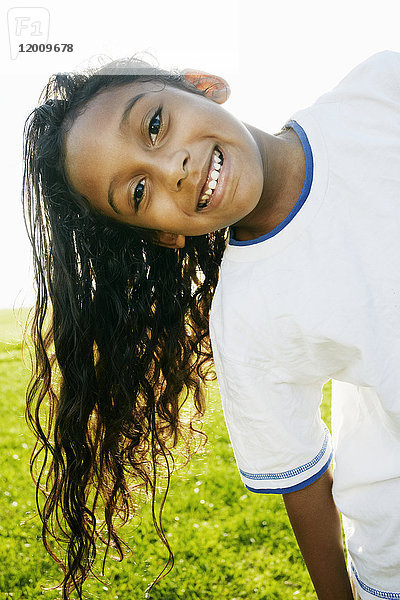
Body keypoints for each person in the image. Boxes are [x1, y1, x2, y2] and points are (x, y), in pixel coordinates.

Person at [22, 50, 400, 600]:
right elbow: (301, 480)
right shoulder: (245, 318)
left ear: (203, 85)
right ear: (161, 235)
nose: (169, 169)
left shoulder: (378, 89)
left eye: (154, 125)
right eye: (138, 192)